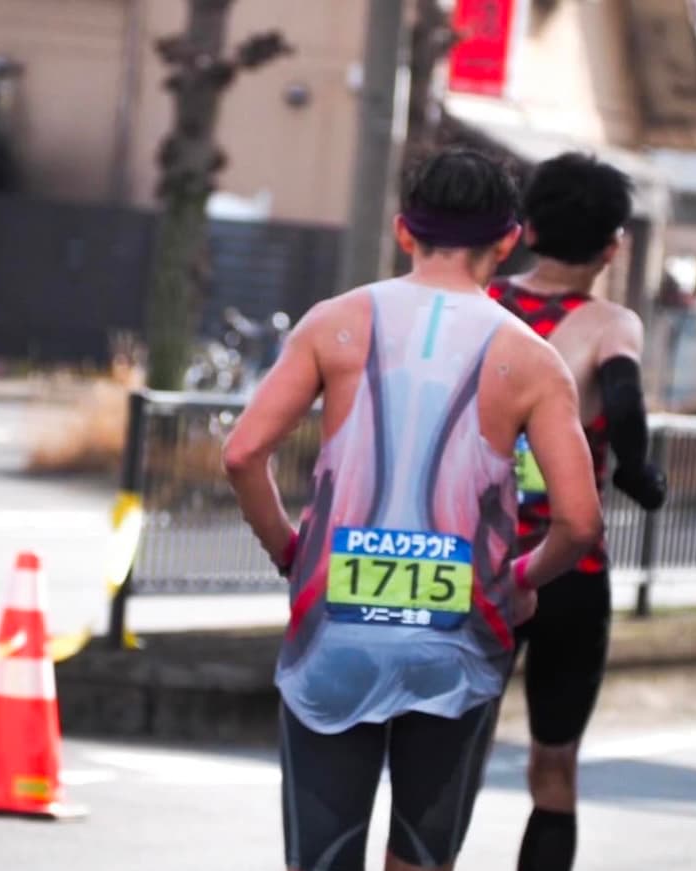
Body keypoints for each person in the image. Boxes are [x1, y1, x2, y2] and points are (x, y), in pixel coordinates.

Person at [222, 148, 603, 871]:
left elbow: (242, 453)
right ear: (507, 241)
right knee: (423, 859)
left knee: (322, 859)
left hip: (333, 626)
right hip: (461, 634)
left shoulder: (333, 324)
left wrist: (289, 551)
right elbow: (579, 523)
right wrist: (521, 579)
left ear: (404, 231)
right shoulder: (531, 359)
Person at [487, 152, 668, 871]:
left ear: (527, 229)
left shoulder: (483, 304)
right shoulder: (609, 322)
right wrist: (637, 473)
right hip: (570, 568)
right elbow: (623, 401)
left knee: (450, 752)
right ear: (613, 246)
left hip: (479, 563)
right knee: (555, 765)